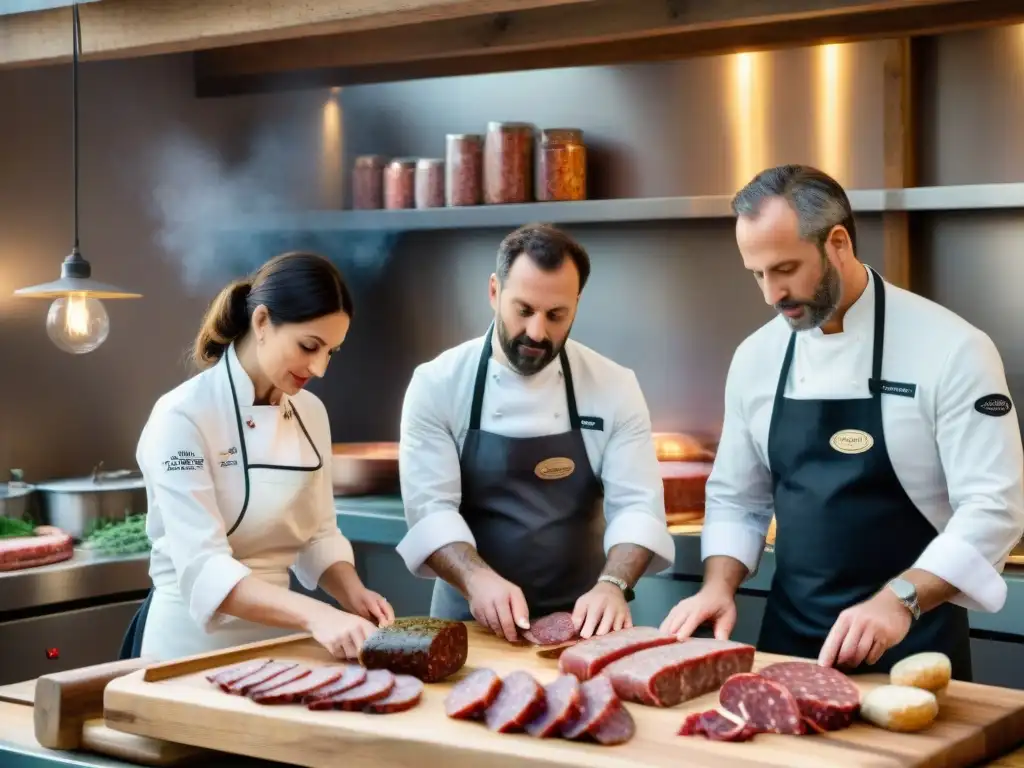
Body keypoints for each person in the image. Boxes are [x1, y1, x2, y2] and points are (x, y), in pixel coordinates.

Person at [660, 165, 1024, 680]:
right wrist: (718, 586)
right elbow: (737, 498)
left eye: (786, 268)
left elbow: (995, 506)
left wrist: (899, 601)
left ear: (838, 243)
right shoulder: (756, 357)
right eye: (758, 274)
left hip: (912, 644)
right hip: (789, 642)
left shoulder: (953, 348)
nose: (771, 294)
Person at [395, 223, 675, 643]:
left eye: (556, 315)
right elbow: (431, 510)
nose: (537, 332)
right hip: (469, 620)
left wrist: (613, 585)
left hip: (584, 626)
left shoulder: (614, 385)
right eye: (523, 310)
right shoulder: (437, 384)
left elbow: (637, 505)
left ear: (577, 305)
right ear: (494, 292)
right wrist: (477, 581)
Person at [122, 251, 394, 662]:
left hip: (276, 648)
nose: (319, 368)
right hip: (187, 650)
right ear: (262, 322)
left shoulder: (311, 413)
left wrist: (353, 594)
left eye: (331, 352)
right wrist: (318, 616)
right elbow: (205, 568)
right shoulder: (182, 416)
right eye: (309, 346)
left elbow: (318, 533)